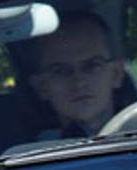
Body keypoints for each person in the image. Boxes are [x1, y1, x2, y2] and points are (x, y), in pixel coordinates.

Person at [28, 10, 129, 139]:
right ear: (41, 86)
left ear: (116, 74)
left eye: (93, 66)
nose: (79, 82)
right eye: (60, 71)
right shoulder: (29, 155)